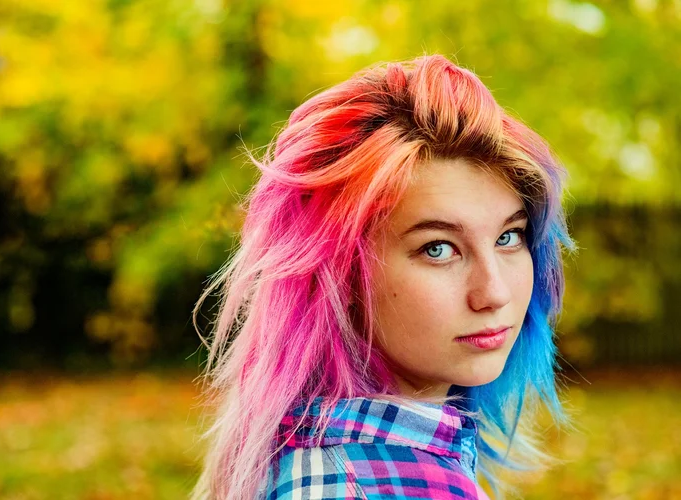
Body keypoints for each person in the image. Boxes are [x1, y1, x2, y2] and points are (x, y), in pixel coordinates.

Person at [190, 54, 575, 499]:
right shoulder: (375, 485)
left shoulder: (304, 449)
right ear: (340, 276)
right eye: (438, 248)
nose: (495, 292)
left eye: (509, 237)